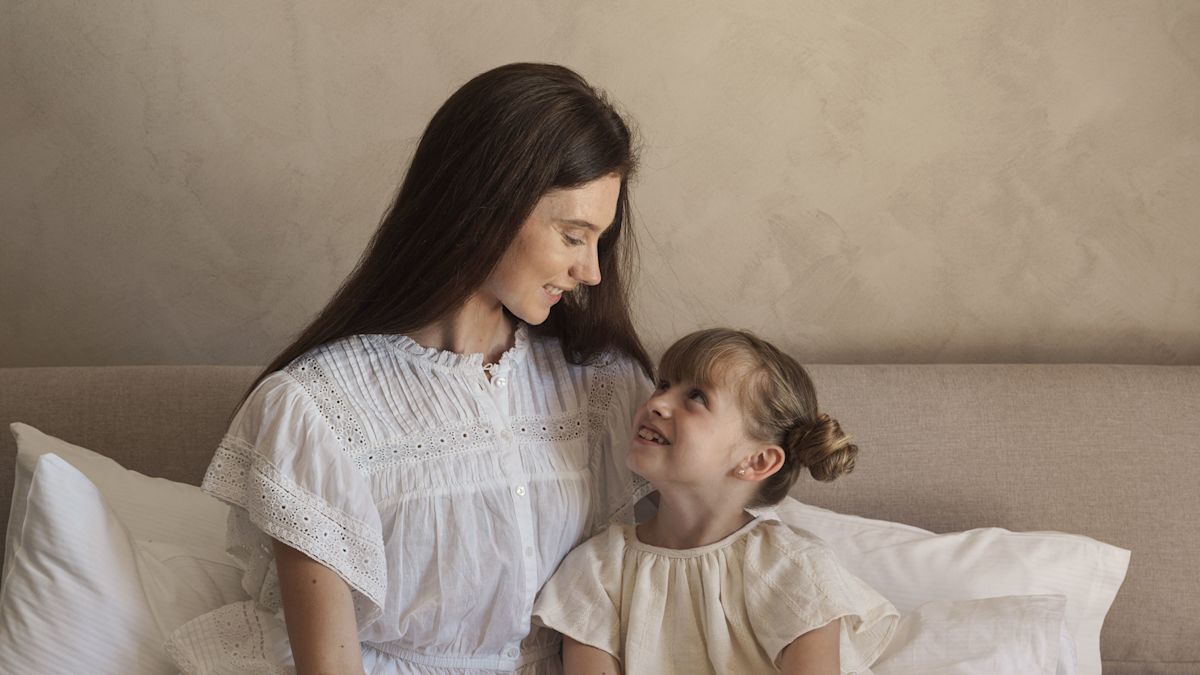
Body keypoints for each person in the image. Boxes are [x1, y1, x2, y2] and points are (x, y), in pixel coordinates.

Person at [165, 63, 657, 675]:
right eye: (573, 235)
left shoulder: (607, 388)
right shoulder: (316, 409)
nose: (592, 273)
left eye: (599, 240)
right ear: (488, 205)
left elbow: (686, 574)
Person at [531, 328, 899, 675]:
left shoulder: (790, 567)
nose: (657, 402)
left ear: (757, 461)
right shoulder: (597, 568)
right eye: (663, 384)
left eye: (696, 397)